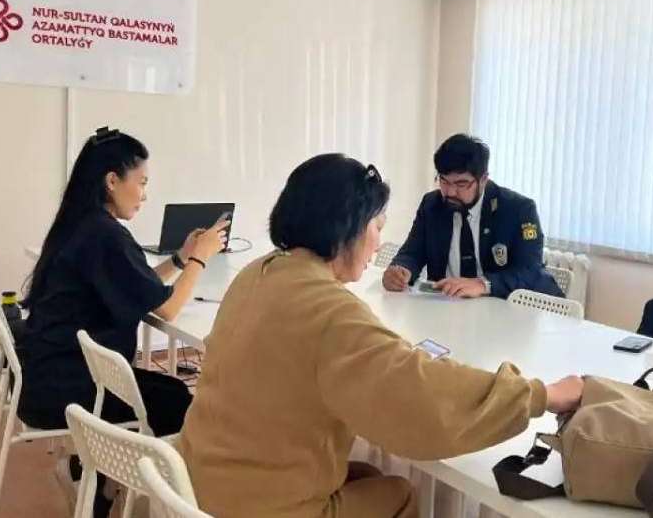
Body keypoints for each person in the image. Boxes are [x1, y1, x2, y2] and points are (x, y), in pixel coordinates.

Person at [178, 154, 584, 518]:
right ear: (348, 228)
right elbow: (422, 397)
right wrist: (540, 395)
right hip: (259, 505)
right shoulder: (331, 313)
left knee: (369, 475)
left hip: (196, 478)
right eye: (376, 226)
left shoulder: (258, 272)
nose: (377, 242)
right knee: (399, 493)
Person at [19, 126, 228, 517]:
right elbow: (165, 310)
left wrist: (181, 259)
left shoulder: (82, 225)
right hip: (70, 387)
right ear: (112, 181)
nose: (145, 195)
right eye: (142, 183)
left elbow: (143, 289)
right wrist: (200, 258)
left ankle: (98, 479)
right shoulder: (105, 236)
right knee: (179, 402)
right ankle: (159, 498)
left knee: (168, 391)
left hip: (50, 373)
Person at [382, 134, 563, 299]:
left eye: (461, 183)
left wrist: (483, 284)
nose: (450, 191)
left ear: (484, 179)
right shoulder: (432, 204)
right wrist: (400, 270)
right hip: (453, 310)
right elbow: (412, 252)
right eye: (444, 181)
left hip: (516, 311)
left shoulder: (518, 209)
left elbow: (529, 271)